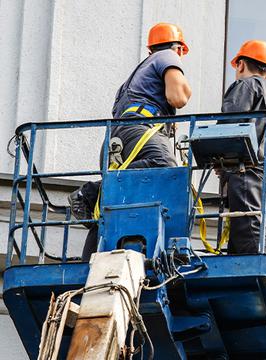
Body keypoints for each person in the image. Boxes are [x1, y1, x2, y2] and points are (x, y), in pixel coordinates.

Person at [69, 22, 192, 261]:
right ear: (178, 48)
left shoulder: (135, 78)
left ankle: (90, 257)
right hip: (139, 130)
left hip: (119, 136)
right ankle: (92, 191)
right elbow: (178, 97)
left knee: (115, 202)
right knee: (166, 170)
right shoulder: (167, 56)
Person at [219, 40, 266, 254]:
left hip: (249, 169)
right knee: (249, 231)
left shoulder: (247, 85)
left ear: (240, 64)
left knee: (250, 231)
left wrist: (217, 158)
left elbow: (230, 127)